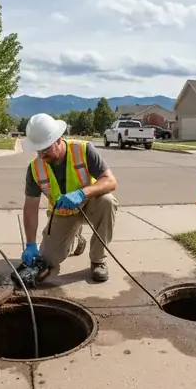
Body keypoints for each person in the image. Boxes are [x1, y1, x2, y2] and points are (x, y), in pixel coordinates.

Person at [20, 113, 118, 283]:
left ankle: (98, 260)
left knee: (107, 201)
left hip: (89, 204)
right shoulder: (35, 169)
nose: (42, 154)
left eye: (46, 149)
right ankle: (76, 237)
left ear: (59, 139)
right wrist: (30, 244)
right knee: (47, 261)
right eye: (38, 150)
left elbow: (110, 181)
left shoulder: (83, 150)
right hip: (63, 213)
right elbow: (30, 207)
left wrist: (82, 193)